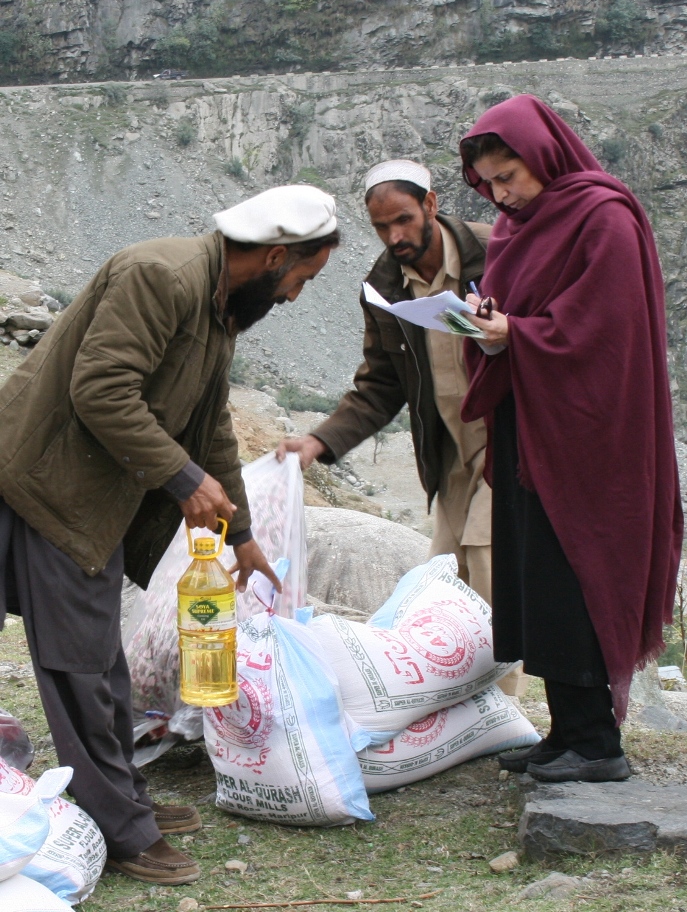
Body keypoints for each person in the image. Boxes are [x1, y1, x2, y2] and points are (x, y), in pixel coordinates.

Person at [0, 184, 339, 884]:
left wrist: (240, 532)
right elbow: (101, 390)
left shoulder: (217, 308)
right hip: (53, 485)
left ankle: (121, 795)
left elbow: (210, 423)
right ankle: (119, 827)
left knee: (97, 656)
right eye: (302, 278)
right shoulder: (161, 277)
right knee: (80, 664)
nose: (296, 297)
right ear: (275, 256)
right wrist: (184, 481)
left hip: (89, 491)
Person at [458, 95, 683, 783]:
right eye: (488, 184)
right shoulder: (516, 227)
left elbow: (600, 329)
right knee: (538, 575)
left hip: (590, 433)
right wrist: (487, 323)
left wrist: (515, 334)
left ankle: (596, 745)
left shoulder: (600, 214)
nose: (501, 194)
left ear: (543, 154)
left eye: (509, 176)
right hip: (532, 422)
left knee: (576, 567)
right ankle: (567, 731)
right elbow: (520, 311)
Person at [277, 161, 526, 677]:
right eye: (381, 227)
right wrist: (319, 442)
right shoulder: (384, 285)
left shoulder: (497, 250)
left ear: (431, 205)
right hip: (450, 454)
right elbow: (380, 385)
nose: (395, 236)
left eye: (405, 220)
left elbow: (545, 336)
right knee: (445, 576)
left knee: (487, 561)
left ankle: (505, 711)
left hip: (510, 442)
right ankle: (463, 705)